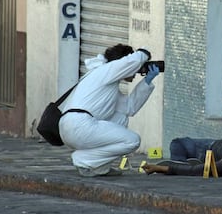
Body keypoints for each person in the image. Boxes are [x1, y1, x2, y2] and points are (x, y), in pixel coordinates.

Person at [59, 44, 160, 177]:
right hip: (79, 126)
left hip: (72, 127)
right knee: (132, 141)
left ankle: (100, 168)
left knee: (121, 118)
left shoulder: (108, 82)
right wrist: (145, 53)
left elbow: (129, 108)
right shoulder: (107, 70)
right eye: (136, 69)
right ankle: (84, 159)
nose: (136, 72)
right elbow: (133, 60)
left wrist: (147, 81)